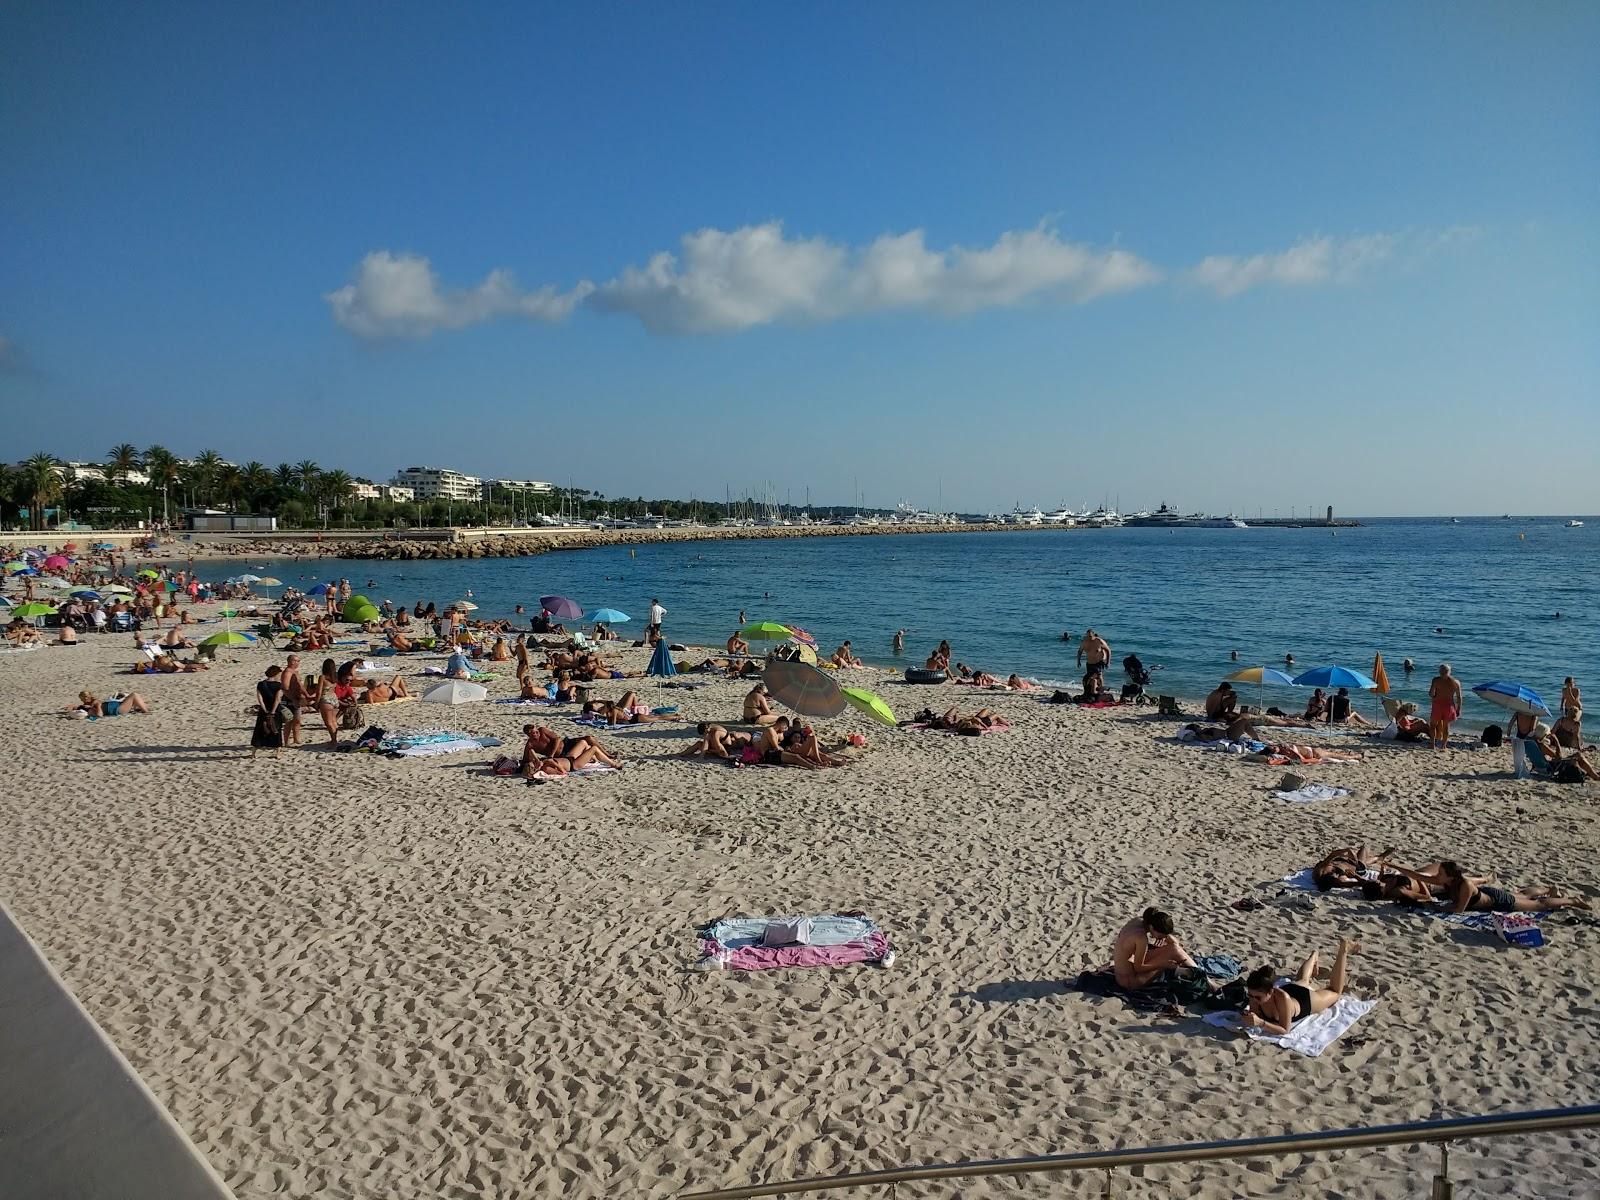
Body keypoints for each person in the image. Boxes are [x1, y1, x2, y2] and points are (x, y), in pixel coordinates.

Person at [1242, 938, 1360, 1034]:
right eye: (1250, 995)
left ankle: (1343, 950)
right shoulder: (1255, 995)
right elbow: (1254, 1014)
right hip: (1291, 989)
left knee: (1335, 991)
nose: (1253, 1000)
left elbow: (1284, 1030)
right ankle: (1313, 956)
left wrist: (1261, 1023)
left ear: (1271, 992)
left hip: (1305, 1000)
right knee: (1303, 979)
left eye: (1257, 998)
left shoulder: (1283, 999)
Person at [1435, 862, 1590, 913]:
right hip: (1489, 894)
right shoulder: (1453, 882)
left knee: (1538, 904)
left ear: (1450, 876)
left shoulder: (1465, 885)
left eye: (1441, 873)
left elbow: (1459, 910)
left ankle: (1571, 901)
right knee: (1522, 894)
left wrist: (1439, 908)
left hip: (1498, 901)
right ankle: (1548, 889)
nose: (1438, 875)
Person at [1110, 909, 1196, 990]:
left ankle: (1188, 972)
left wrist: (1167, 937)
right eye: (1162, 935)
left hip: (1122, 973)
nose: (1163, 938)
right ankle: (1199, 975)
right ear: (1151, 927)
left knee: (1174, 948)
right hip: (1130, 981)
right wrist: (1163, 964)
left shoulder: (1137, 922)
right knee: (1174, 950)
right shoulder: (1141, 938)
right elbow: (1139, 968)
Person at [252, 665, 290, 757]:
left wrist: (265, 710)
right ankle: (278, 752)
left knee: (260, 730)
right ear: (276, 674)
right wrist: (272, 712)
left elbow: (260, 698)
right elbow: (277, 699)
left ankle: (254, 752)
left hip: (263, 710)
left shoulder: (261, 684)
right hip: (275, 710)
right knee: (276, 729)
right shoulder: (278, 685)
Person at [1428, 663, 1462, 749]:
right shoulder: (1456, 682)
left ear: (1440, 671)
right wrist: (1458, 709)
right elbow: (1459, 697)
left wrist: (1434, 695)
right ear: (1449, 671)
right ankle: (1444, 745)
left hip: (1438, 705)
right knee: (1446, 727)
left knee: (1433, 725)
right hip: (1449, 706)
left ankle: (1432, 744)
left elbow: (1431, 693)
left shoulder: (1436, 680)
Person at [682, 723, 753, 759]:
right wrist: (702, 755)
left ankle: (701, 755)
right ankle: (681, 754)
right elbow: (706, 743)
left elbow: (719, 747)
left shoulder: (717, 732)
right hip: (720, 747)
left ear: (706, 730)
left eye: (704, 734)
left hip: (725, 748)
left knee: (706, 745)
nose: (705, 735)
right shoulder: (709, 730)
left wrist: (725, 756)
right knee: (698, 743)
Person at [69, 689, 152, 717]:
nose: (83, 700)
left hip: (118, 706)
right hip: (117, 709)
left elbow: (78, 708)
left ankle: (143, 708)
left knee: (135, 697)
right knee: (134, 695)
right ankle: (146, 711)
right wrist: (98, 705)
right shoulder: (90, 707)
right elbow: (99, 715)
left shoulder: (91, 703)